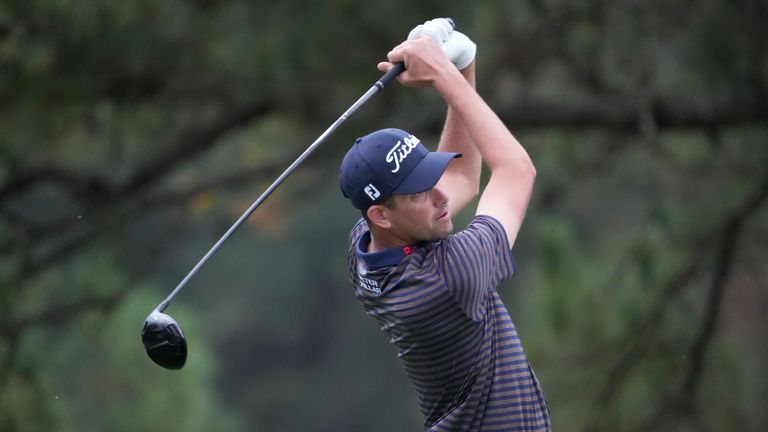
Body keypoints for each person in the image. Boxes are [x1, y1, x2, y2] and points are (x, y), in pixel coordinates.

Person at [339, 19, 551, 431]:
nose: (440, 197)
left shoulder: (366, 245)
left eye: (428, 179)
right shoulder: (449, 277)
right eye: (420, 193)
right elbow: (517, 172)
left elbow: (460, 179)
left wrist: (462, 64)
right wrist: (443, 75)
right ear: (382, 214)